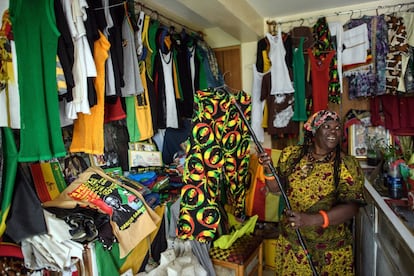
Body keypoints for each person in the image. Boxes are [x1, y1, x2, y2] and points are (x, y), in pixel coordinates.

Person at [257, 109, 365, 275]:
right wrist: (268, 169)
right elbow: (275, 188)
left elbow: (352, 207)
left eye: (337, 128)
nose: (333, 132)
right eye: (327, 126)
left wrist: (311, 220)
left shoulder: (347, 165)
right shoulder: (291, 156)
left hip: (330, 252)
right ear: (313, 131)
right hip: (293, 247)